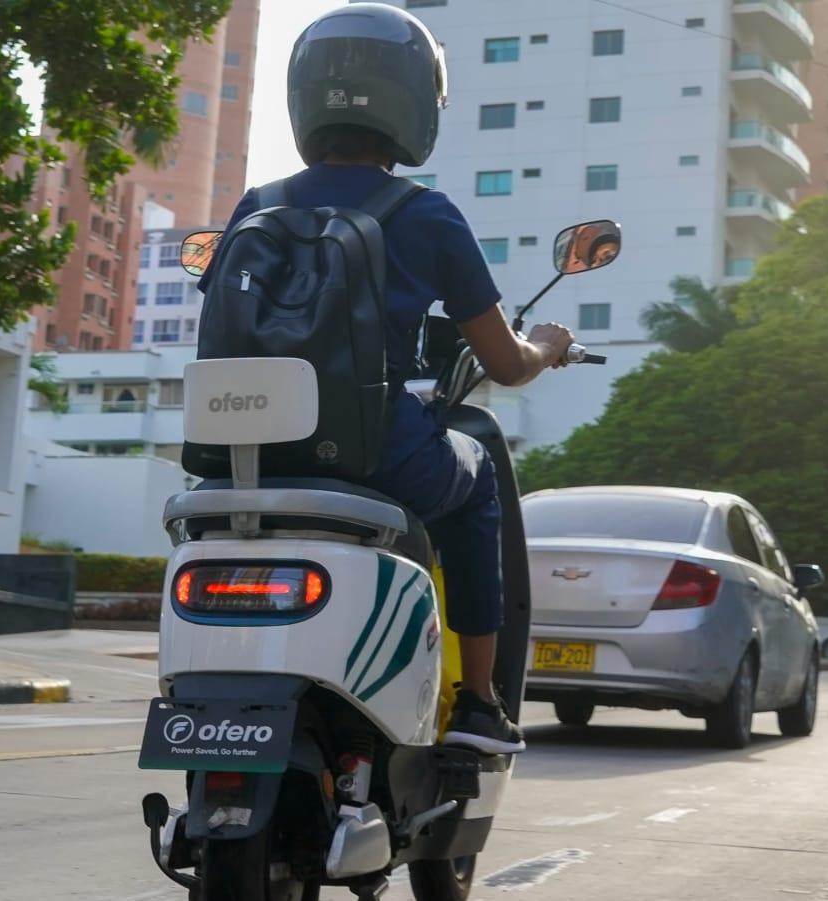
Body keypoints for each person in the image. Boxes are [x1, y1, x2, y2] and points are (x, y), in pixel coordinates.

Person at [198, 5, 573, 754]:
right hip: (376, 448)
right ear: (413, 104)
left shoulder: (257, 205)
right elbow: (503, 362)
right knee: (477, 491)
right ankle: (478, 701)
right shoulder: (425, 214)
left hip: (241, 449)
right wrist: (546, 346)